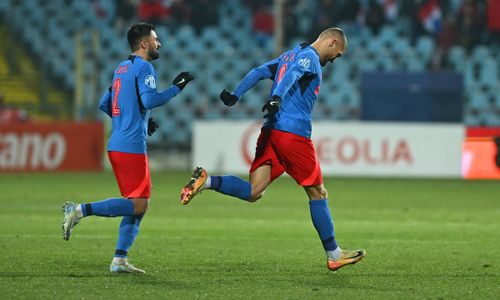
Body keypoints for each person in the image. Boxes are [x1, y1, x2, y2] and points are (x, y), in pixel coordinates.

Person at [180, 27, 365, 272]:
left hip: (271, 132)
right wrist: (276, 97)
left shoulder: (291, 54)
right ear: (331, 42)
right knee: (318, 193)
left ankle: (208, 180)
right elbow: (292, 74)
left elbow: (260, 71)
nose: (334, 59)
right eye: (337, 54)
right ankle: (334, 254)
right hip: (292, 134)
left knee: (254, 191)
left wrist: (237, 94)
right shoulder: (308, 58)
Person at [62, 23, 194, 273]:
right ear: (144, 43)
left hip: (119, 142)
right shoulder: (145, 66)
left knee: (139, 202)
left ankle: (119, 259)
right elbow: (150, 99)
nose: (159, 43)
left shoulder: (121, 68)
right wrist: (178, 86)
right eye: (155, 39)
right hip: (131, 145)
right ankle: (79, 210)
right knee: (138, 204)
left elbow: (105, 103)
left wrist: (138, 118)